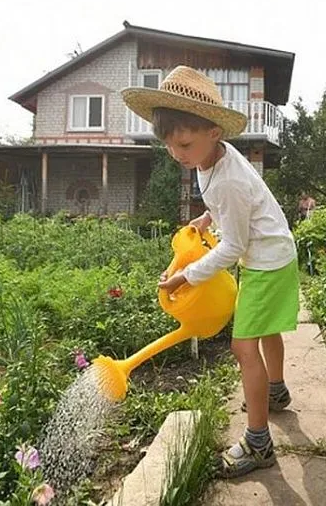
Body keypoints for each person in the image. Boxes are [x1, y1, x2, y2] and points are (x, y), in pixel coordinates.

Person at [122, 66, 299, 478]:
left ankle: (258, 444)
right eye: (169, 146)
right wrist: (206, 218)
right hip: (274, 252)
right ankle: (275, 390)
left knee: (242, 347)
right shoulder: (211, 160)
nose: (178, 154)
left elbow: (233, 246)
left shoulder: (227, 180)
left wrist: (188, 276)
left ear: (214, 132)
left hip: (265, 263)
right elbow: (230, 210)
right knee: (267, 329)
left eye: (184, 143)